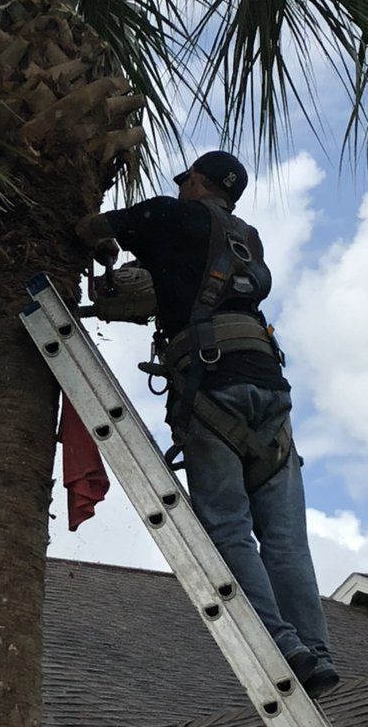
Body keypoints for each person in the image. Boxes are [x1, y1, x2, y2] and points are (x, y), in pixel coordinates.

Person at [75, 150, 339, 697]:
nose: (179, 186)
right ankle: (316, 650)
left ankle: (283, 645)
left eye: (184, 179)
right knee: (287, 538)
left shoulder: (169, 216)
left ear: (196, 181)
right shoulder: (249, 240)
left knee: (226, 526)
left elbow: (90, 228)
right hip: (271, 392)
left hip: (211, 386)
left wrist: (102, 242)